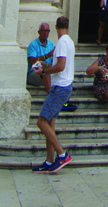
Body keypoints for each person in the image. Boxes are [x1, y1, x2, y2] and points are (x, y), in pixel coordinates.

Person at [32, 16, 75, 174]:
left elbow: (61, 67)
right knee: (49, 124)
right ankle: (49, 161)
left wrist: (44, 71)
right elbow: (59, 65)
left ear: (56, 28)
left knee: (41, 122)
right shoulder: (69, 41)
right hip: (64, 86)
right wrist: (46, 64)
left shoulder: (62, 42)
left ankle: (62, 155)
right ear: (68, 26)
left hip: (60, 88)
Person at [27, 22, 55, 93]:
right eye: (43, 31)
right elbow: (32, 61)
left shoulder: (51, 44)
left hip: (49, 71)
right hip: (35, 72)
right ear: (39, 32)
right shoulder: (33, 45)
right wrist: (47, 56)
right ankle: (50, 95)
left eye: (47, 31)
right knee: (44, 71)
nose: (45, 33)